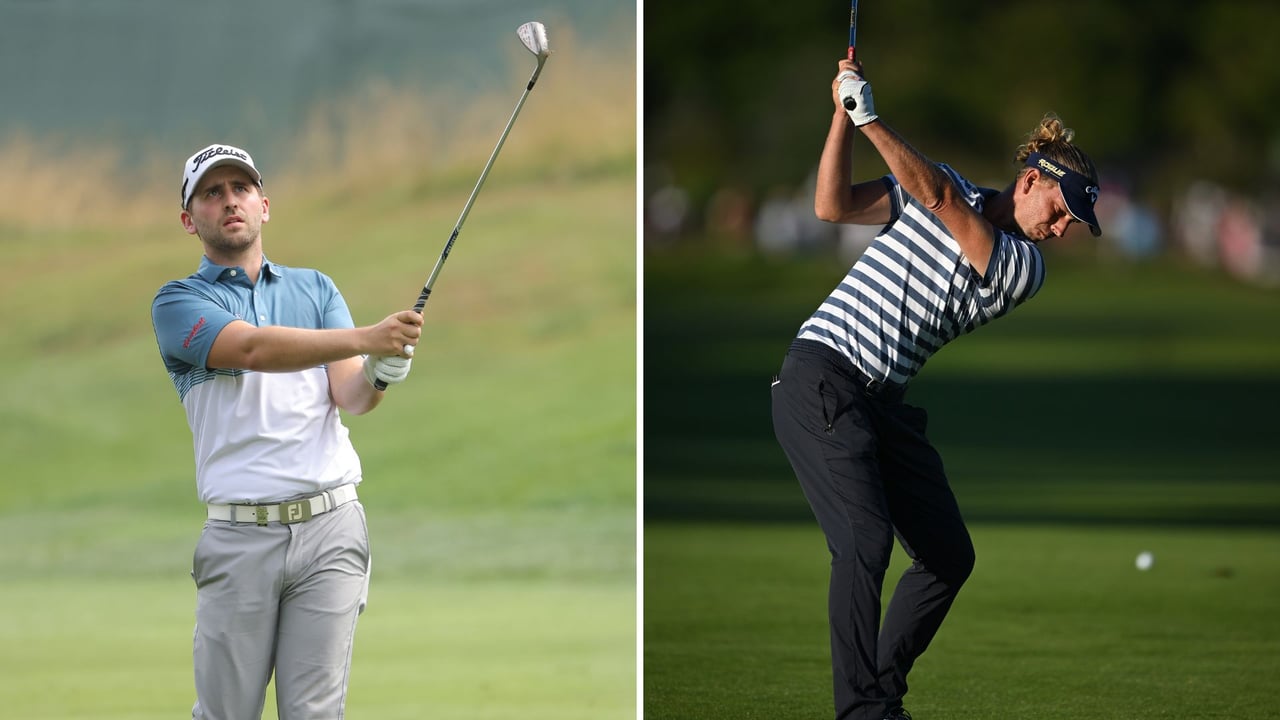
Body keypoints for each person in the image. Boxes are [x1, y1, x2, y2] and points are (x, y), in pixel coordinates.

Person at [770, 59, 1101, 720]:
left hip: (879, 403)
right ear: (1031, 181)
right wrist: (842, 113)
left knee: (948, 556)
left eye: (1072, 225)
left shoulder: (1022, 267)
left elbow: (942, 204)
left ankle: (881, 692)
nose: (1061, 230)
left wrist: (871, 118)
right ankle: (863, 712)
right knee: (864, 544)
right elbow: (831, 205)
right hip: (823, 377)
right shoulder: (938, 187)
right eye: (1062, 213)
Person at [151, 143, 424, 719]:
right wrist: (367, 337)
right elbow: (249, 348)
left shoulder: (317, 288)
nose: (230, 201)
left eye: (241, 189)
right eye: (211, 193)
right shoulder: (179, 302)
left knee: (316, 713)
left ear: (264, 205)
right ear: (189, 218)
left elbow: (349, 396)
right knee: (228, 713)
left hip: (331, 528)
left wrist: (380, 372)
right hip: (240, 535)